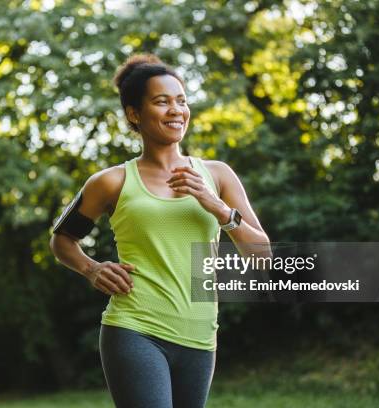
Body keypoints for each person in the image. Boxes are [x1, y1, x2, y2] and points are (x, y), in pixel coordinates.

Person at [49, 54, 270, 408]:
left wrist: (216, 206)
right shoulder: (111, 182)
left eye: (181, 101)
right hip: (135, 327)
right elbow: (62, 240)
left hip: (200, 334)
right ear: (134, 114)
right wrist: (91, 268)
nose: (176, 110)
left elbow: (263, 256)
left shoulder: (218, 176)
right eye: (162, 101)